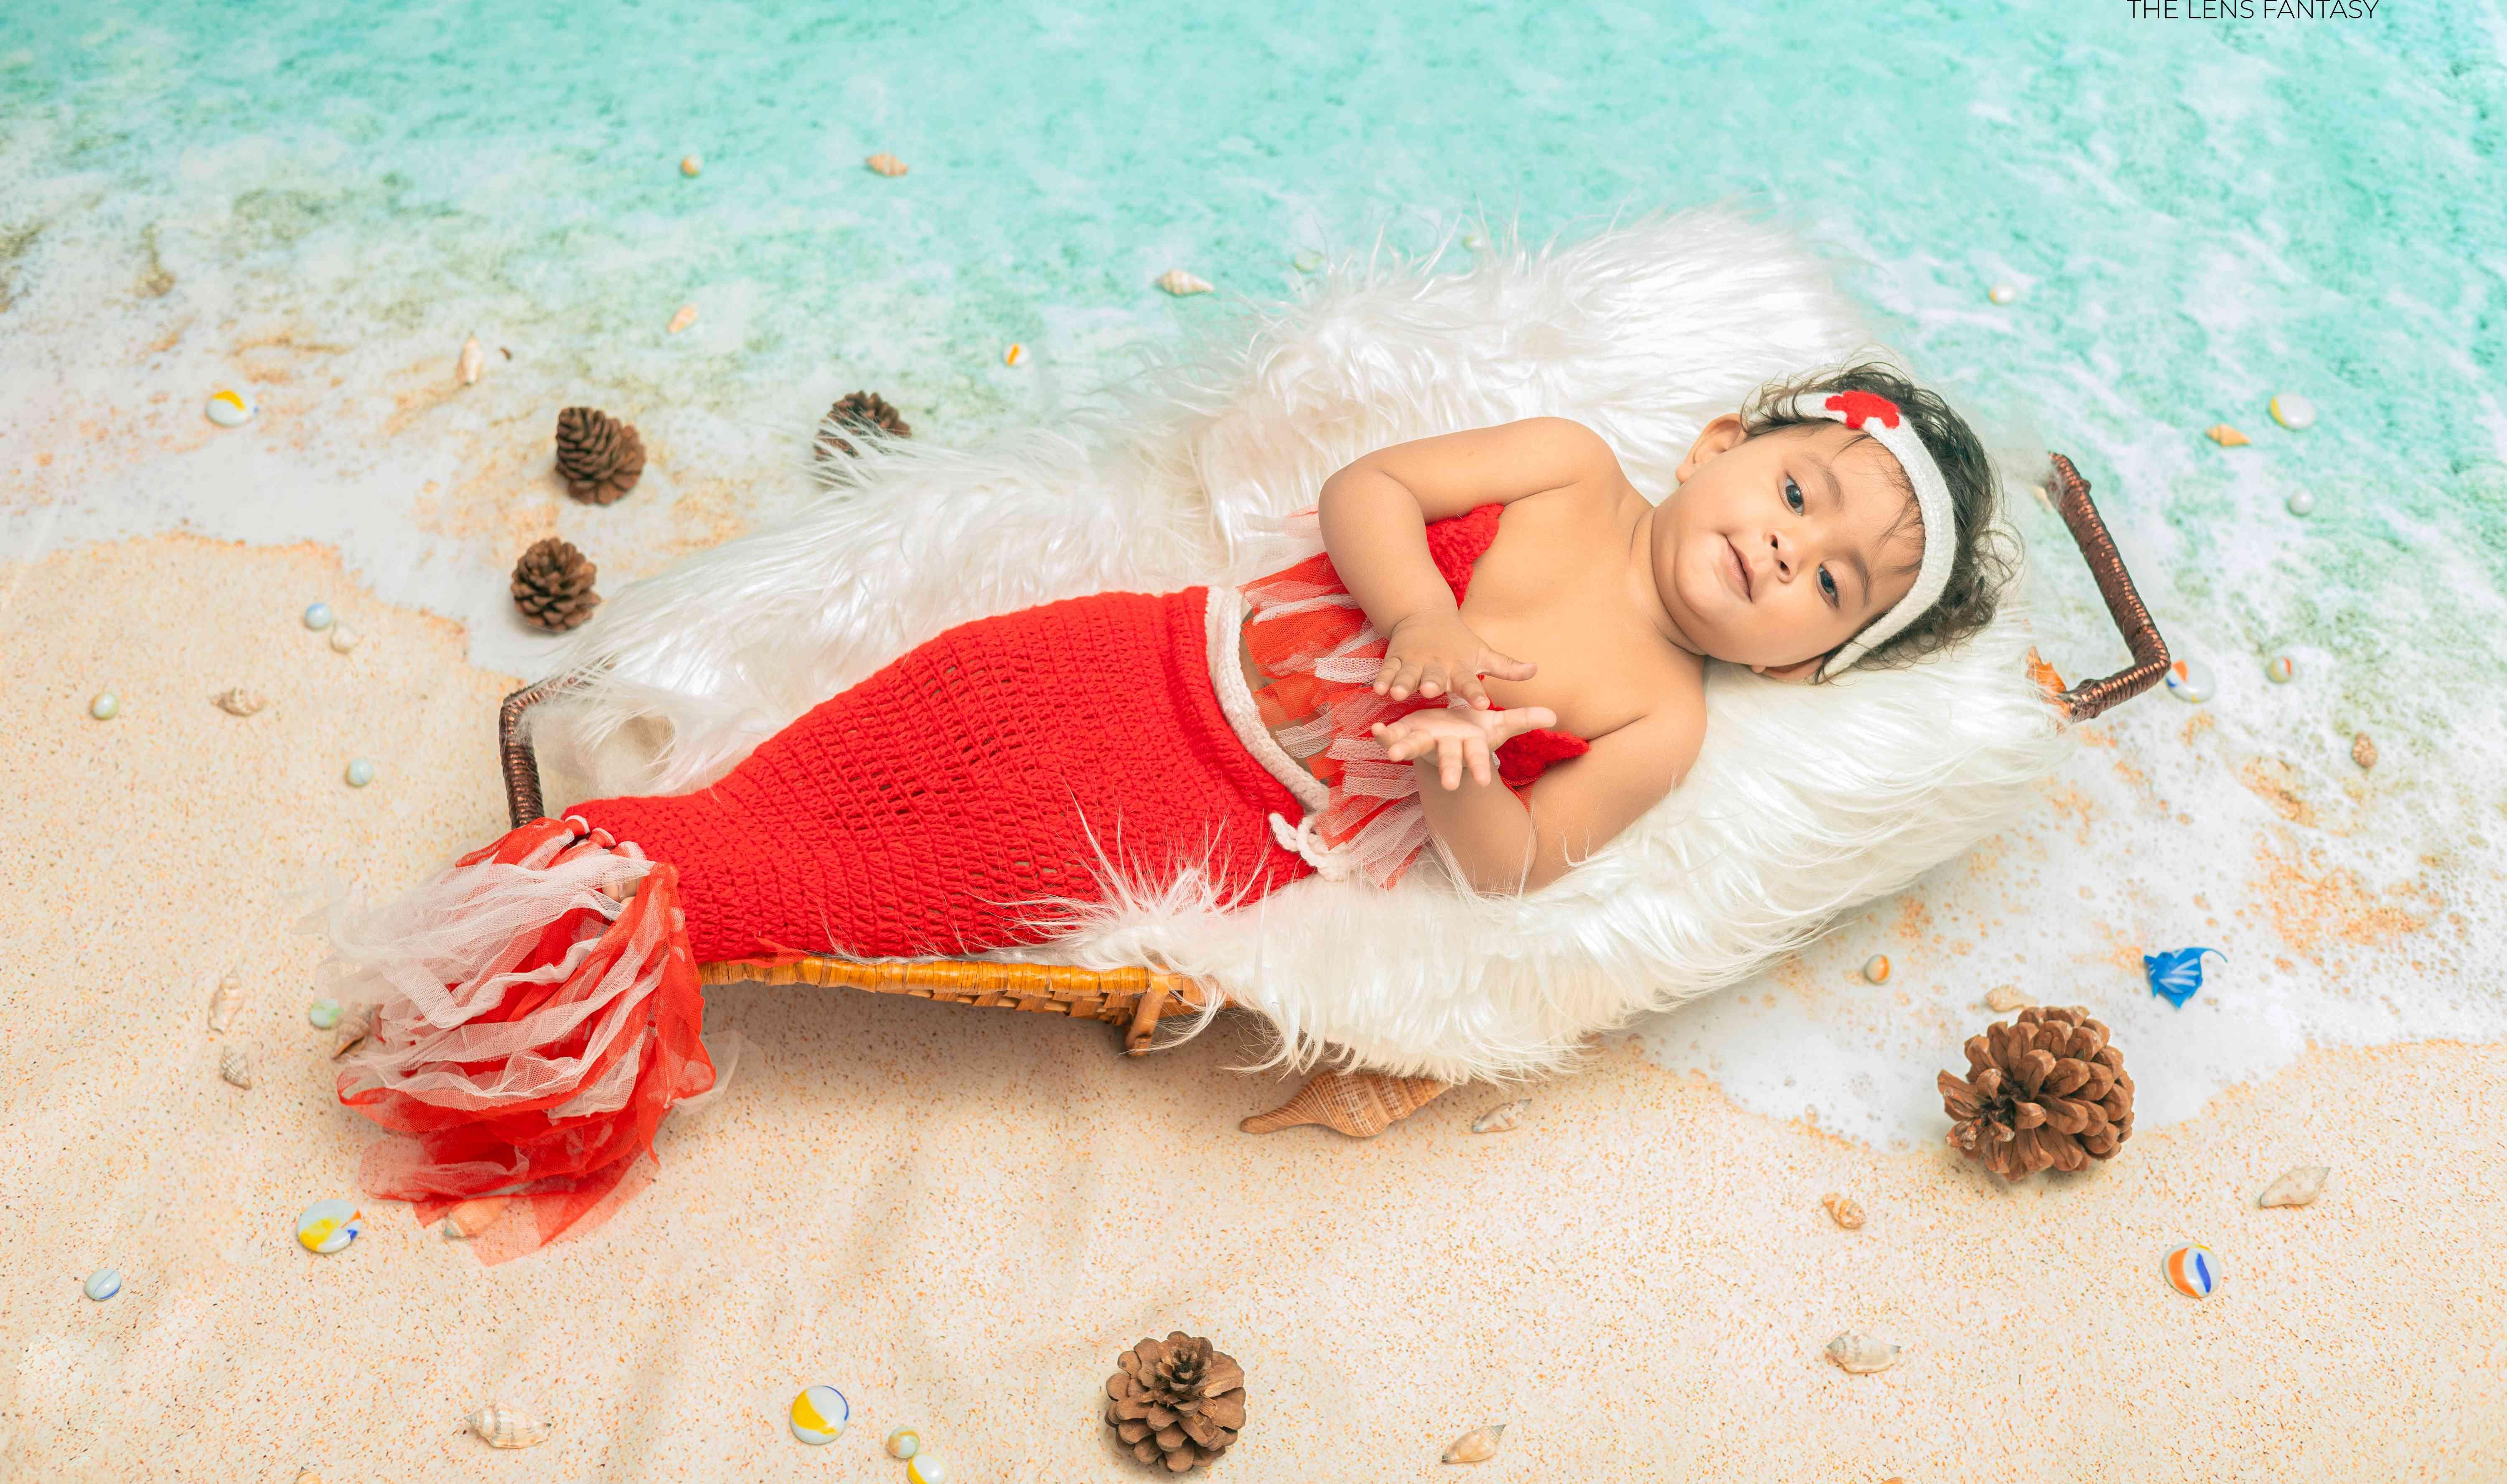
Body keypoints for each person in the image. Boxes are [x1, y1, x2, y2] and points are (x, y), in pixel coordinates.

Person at [322, 359, 2016, 1253]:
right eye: (1801, 488)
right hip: (1121, 654)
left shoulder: (1659, 722)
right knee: (842, 766)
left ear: (1814, 664)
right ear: (1720, 441)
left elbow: (1513, 873)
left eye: (1834, 583)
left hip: (1194, 814)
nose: (1789, 545)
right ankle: (611, 880)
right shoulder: (1570, 467)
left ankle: (589, 943)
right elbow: (1372, 490)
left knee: (878, 885)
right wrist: (1420, 618)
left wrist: (1462, 777)